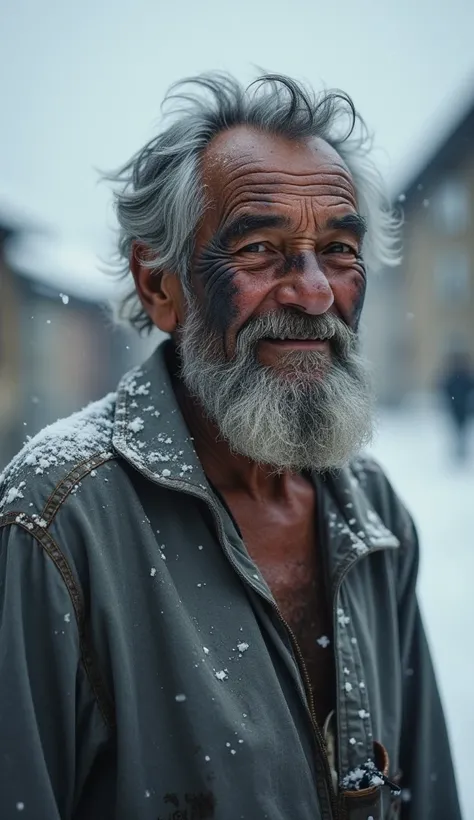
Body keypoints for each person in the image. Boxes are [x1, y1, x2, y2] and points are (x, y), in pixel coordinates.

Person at [0, 74, 461, 820]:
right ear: (159, 285)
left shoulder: (370, 510)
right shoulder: (56, 521)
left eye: (338, 249)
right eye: (260, 249)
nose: (314, 292)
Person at [438, 349, 474, 462]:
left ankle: (460, 448)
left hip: (460, 407)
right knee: (458, 429)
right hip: (458, 407)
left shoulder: (458, 377)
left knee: (460, 429)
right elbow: (445, 388)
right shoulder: (458, 377)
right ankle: (459, 448)